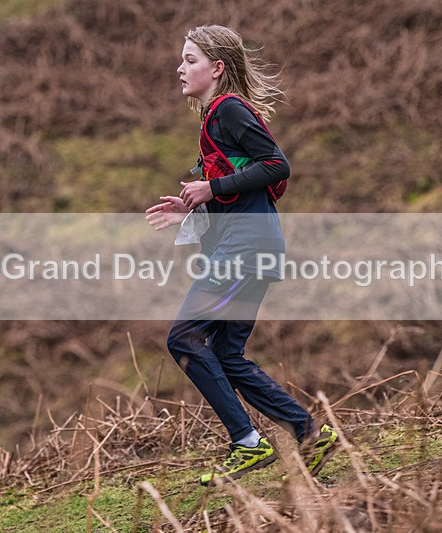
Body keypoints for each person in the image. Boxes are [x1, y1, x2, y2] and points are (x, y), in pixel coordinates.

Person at [145, 25, 338, 486]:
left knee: (184, 338)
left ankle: (247, 442)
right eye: (182, 58)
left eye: (190, 59)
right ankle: (306, 430)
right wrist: (194, 205)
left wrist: (210, 187)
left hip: (245, 249)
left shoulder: (228, 109)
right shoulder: (214, 116)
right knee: (228, 353)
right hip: (254, 244)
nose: (180, 67)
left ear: (217, 68)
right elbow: (244, 183)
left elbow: (276, 164)